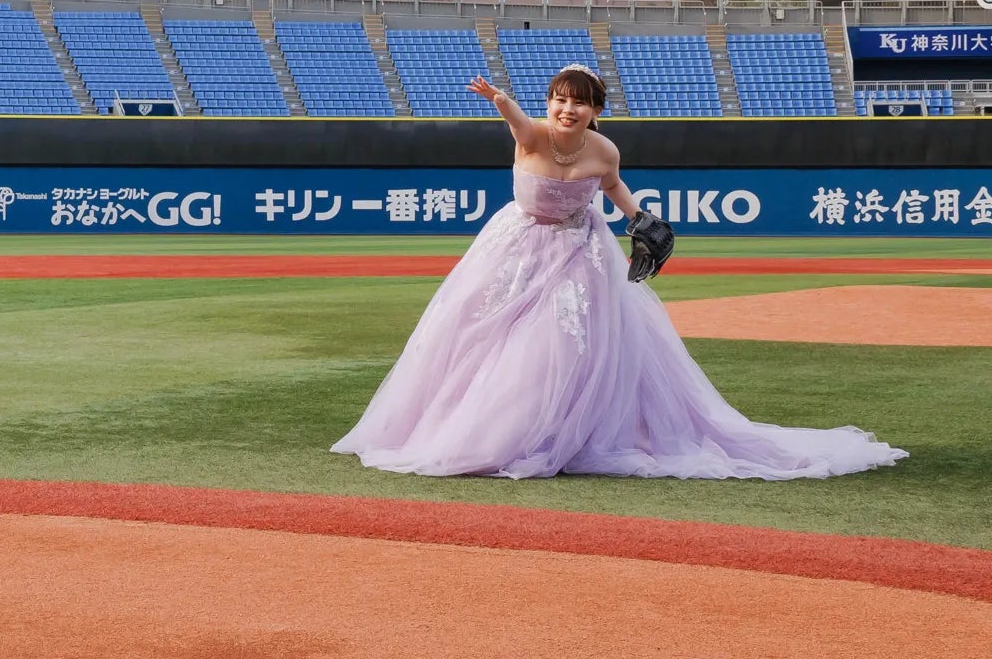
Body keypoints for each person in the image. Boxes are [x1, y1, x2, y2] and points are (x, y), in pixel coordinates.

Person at [335, 67, 903, 483]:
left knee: (569, 343)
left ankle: (559, 433)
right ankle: (489, 431)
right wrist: (498, 97)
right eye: (559, 100)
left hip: (582, 250)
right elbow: (515, 122)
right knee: (481, 335)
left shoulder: (604, 149)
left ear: (596, 109)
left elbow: (609, 189)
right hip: (515, 247)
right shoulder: (531, 135)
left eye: (578, 103)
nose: (567, 110)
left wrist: (638, 219)